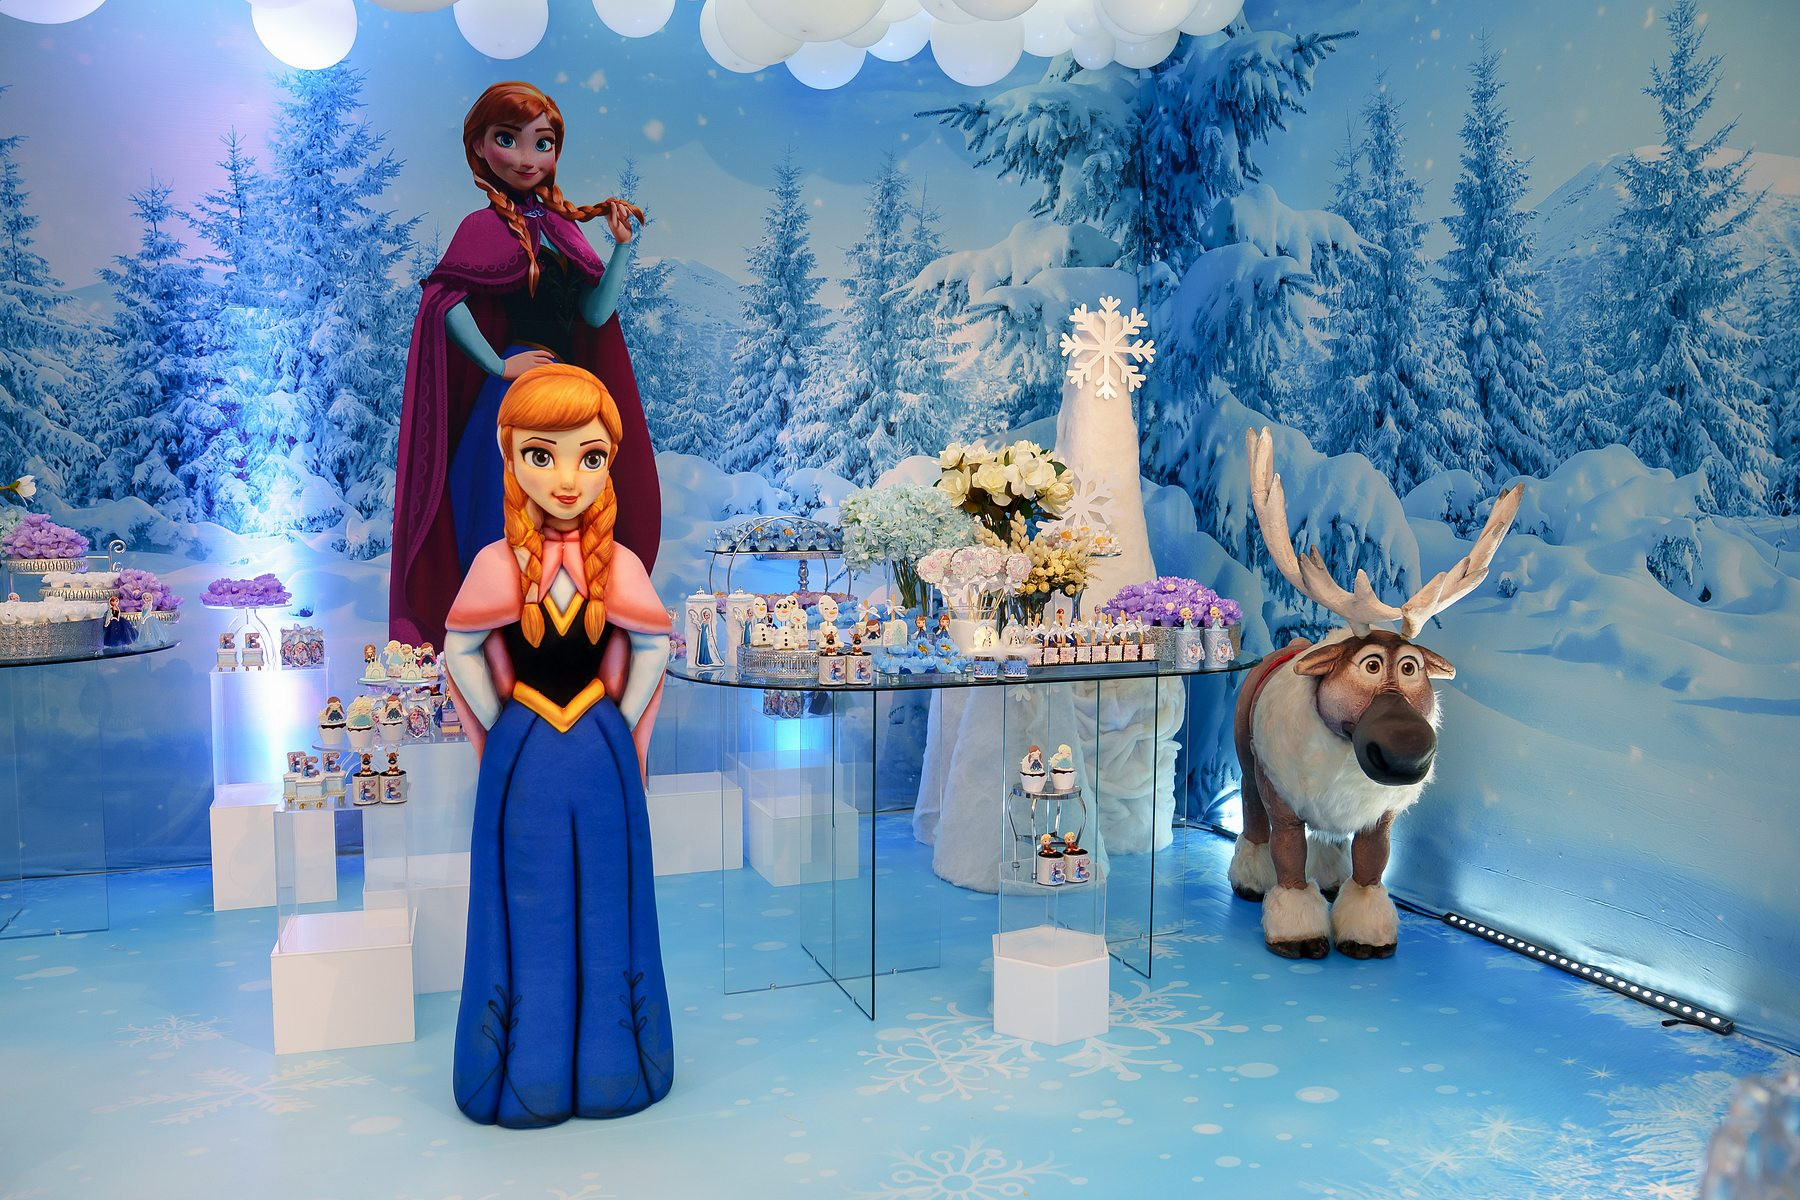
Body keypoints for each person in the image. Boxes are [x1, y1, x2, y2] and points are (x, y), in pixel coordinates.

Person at [442, 363, 673, 1128]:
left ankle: (613, 1068)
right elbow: (460, 644)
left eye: (590, 456)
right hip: (532, 758)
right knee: (529, 901)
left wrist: (617, 717)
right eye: (543, 455)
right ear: (511, 457)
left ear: (610, 462)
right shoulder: (498, 564)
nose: (568, 479)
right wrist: (505, 717)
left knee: (608, 900)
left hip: (593, 754)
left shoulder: (620, 566)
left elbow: (655, 642)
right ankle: (528, 1072)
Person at [392, 81, 660, 649]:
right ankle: (500, 636)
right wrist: (497, 364)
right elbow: (443, 301)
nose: (525, 157)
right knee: (505, 509)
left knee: (569, 513)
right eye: (507, 139)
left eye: (543, 143)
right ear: (479, 147)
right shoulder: (480, 229)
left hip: (569, 395)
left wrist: (620, 249)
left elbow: (595, 314)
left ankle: (567, 637)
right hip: (514, 394)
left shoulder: (563, 230)